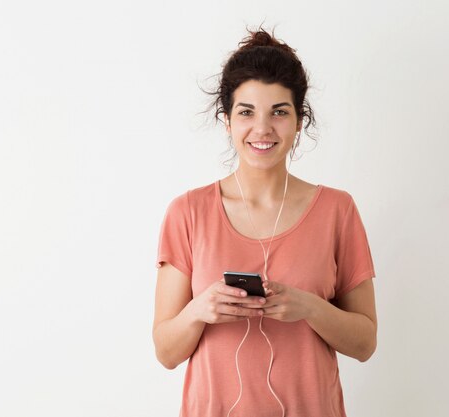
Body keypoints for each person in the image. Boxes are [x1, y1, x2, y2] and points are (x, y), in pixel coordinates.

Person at [152, 26, 377, 417]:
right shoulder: (187, 212)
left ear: (298, 120)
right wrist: (200, 310)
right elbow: (166, 352)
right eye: (246, 112)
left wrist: (309, 307)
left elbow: (365, 344)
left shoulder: (337, 210)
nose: (262, 128)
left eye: (279, 112)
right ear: (227, 120)